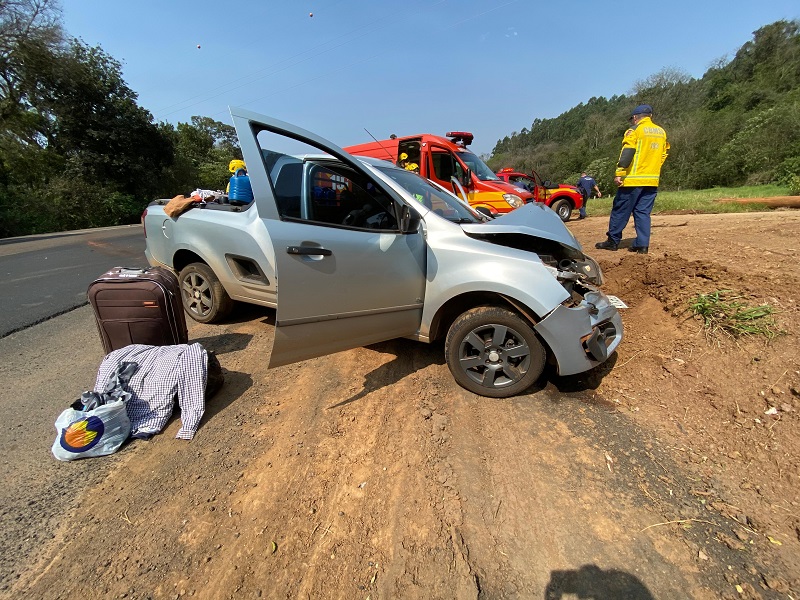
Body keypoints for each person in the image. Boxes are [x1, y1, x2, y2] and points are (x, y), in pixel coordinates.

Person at [595, 104, 669, 254]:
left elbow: (627, 152)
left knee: (620, 211)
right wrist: (653, 167)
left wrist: (620, 173)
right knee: (642, 212)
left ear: (635, 118)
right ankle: (642, 245)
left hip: (632, 180)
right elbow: (664, 153)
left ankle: (613, 241)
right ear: (650, 117)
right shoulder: (661, 132)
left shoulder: (634, 131)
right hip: (651, 180)